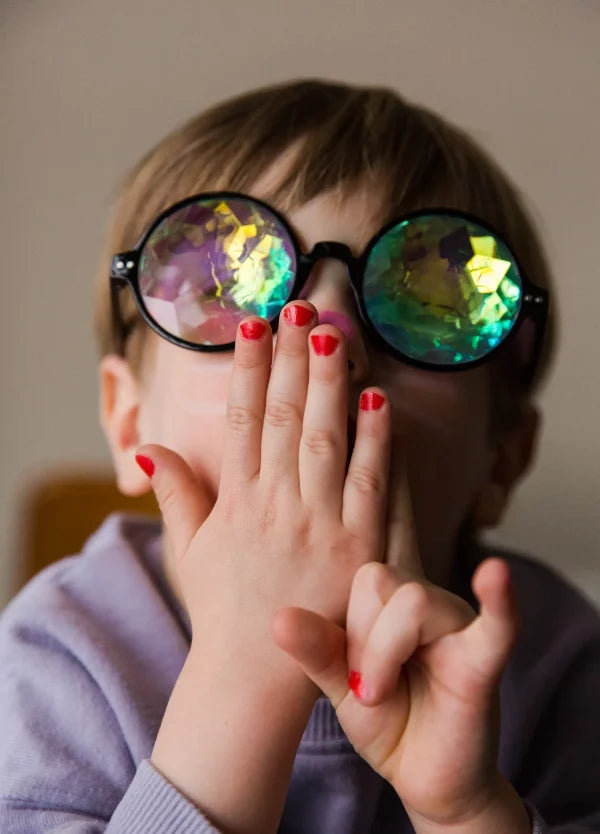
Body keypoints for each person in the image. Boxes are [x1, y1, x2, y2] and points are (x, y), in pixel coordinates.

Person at [0, 79, 598, 834]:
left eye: (430, 304)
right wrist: (244, 682)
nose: (329, 338)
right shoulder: (64, 652)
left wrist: (469, 813)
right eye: (228, 288)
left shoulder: (553, 659)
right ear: (127, 424)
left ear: (503, 459)